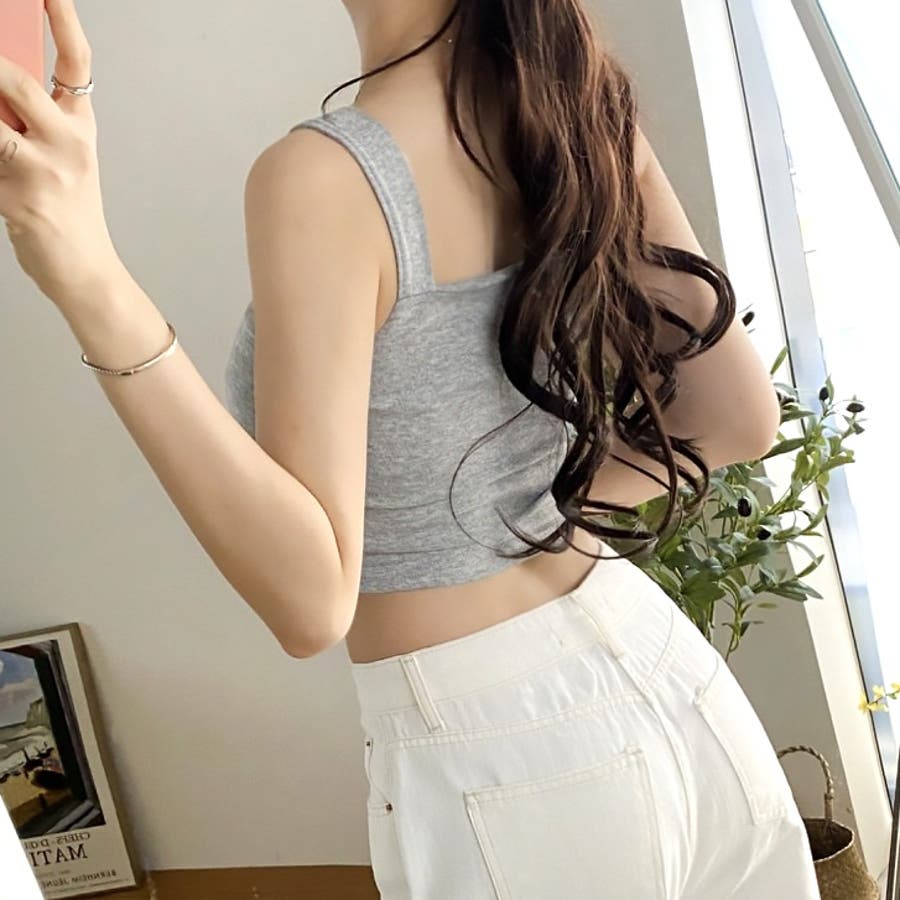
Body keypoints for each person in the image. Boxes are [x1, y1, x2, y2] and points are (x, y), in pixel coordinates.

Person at [0, 0, 821, 896]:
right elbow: (738, 418)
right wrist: (492, 514)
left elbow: (311, 602)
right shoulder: (567, 91)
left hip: (510, 764)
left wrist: (85, 273)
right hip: (675, 687)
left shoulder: (328, 176)